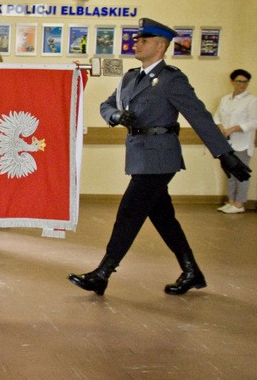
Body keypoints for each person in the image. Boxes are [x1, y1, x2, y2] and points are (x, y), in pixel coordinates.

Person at [68, 18, 251, 296]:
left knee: (129, 212)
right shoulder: (130, 77)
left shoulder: (171, 79)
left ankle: (103, 273)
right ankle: (191, 272)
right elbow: (107, 105)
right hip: (139, 155)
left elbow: (198, 115)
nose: (136, 43)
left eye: (143, 40)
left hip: (160, 156)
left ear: (160, 45)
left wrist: (223, 154)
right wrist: (116, 115)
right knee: (163, 217)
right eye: (137, 39)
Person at [213, 69, 257, 214]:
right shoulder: (226, 99)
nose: (242, 85)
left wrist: (234, 129)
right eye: (239, 81)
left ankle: (240, 203)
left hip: (242, 143)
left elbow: (253, 122)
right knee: (230, 173)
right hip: (226, 143)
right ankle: (231, 201)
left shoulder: (252, 101)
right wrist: (220, 127)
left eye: (245, 82)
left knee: (241, 174)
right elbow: (217, 116)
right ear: (232, 82)